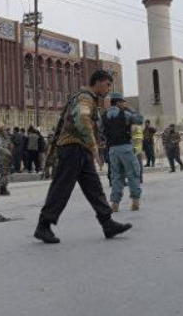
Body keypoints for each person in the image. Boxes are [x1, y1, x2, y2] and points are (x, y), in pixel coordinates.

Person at [34, 70, 132, 244]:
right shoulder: (86, 98)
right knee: (61, 188)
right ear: (98, 82)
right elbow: (82, 118)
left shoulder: (86, 97)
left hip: (80, 149)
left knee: (94, 188)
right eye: (107, 84)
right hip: (73, 148)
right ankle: (43, 226)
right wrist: (94, 147)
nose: (109, 89)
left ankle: (107, 223)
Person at [103, 93, 144, 212]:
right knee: (133, 173)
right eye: (122, 102)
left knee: (116, 177)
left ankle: (115, 204)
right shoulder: (125, 114)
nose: (124, 104)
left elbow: (101, 131)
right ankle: (135, 202)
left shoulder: (104, 116)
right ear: (118, 102)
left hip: (112, 150)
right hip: (125, 147)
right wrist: (131, 109)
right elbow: (140, 120)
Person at [0, 122, 12, 196]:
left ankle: (4, 188)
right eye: (4, 129)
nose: (5, 130)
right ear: (0, 129)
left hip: (4, 157)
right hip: (1, 158)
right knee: (4, 174)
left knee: (5, 173)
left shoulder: (2, 137)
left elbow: (6, 144)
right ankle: (3, 189)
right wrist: (7, 152)